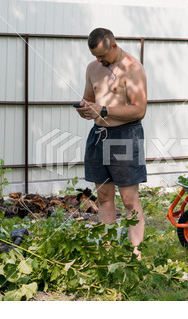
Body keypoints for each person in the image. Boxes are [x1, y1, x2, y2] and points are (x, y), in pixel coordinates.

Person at [76, 28, 147, 260]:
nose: (99, 61)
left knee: (128, 199)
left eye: (103, 56)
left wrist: (104, 109)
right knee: (104, 196)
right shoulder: (92, 68)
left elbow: (139, 110)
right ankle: (108, 250)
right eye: (96, 56)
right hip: (99, 135)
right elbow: (89, 97)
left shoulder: (133, 68)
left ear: (114, 46)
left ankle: (136, 253)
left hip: (125, 135)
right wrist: (85, 108)